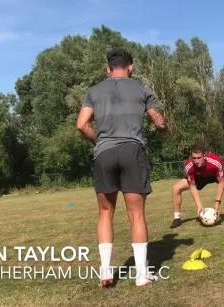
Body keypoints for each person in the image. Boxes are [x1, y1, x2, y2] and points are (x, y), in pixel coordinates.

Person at [76, 49, 168, 289]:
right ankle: (141, 275)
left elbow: (81, 125)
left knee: (105, 213)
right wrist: (162, 126)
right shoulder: (142, 89)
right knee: (136, 215)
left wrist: (100, 142)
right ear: (131, 67)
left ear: (108, 70)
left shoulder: (93, 91)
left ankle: (105, 272)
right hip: (132, 150)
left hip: (104, 153)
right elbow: (158, 121)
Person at [169, 146, 224, 228]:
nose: (196, 161)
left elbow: (221, 182)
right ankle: (177, 219)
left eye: (199, 158)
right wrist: (199, 206)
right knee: (176, 188)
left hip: (216, 174)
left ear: (204, 157)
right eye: (194, 158)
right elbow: (192, 186)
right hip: (199, 176)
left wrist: (217, 203)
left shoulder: (215, 161)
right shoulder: (189, 166)